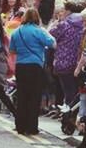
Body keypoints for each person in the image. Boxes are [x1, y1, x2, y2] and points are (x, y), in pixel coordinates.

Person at [9, 7, 56, 136]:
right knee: (34, 97)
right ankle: (31, 127)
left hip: (21, 66)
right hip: (35, 66)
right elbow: (52, 43)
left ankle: (20, 126)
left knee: (22, 96)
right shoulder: (38, 31)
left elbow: (12, 51)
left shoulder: (16, 32)